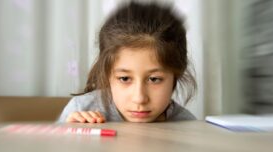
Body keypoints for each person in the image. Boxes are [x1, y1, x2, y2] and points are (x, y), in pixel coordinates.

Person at [57, 1, 197, 123]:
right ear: (107, 74)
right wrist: (69, 138)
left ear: (177, 74)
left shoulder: (186, 124)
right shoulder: (80, 111)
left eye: (154, 79)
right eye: (124, 78)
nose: (139, 98)